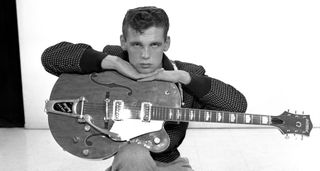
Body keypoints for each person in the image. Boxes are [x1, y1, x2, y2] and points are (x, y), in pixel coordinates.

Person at [41, 6, 247, 171]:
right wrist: (112, 62)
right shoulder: (113, 61)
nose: (145, 55)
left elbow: (237, 105)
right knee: (134, 155)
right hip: (129, 162)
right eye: (137, 44)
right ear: (124, 42)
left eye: (154, 44)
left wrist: (183, 77)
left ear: (166, 43)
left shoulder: (184, 73)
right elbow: (50, 58)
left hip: (170, 164)